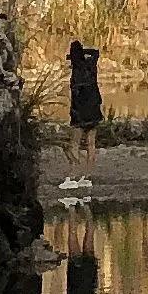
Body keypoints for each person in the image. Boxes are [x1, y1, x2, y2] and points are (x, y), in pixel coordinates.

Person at [62, 41, 102, 190]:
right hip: (94, 110)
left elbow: (76, 96)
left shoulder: (76, 73)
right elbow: (95, 52)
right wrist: (83, 51)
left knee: (74, 143)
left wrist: (74, 114)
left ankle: (73, 175)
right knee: (91, 144)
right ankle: (87, 176)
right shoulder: (91, 65)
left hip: (80, 112)